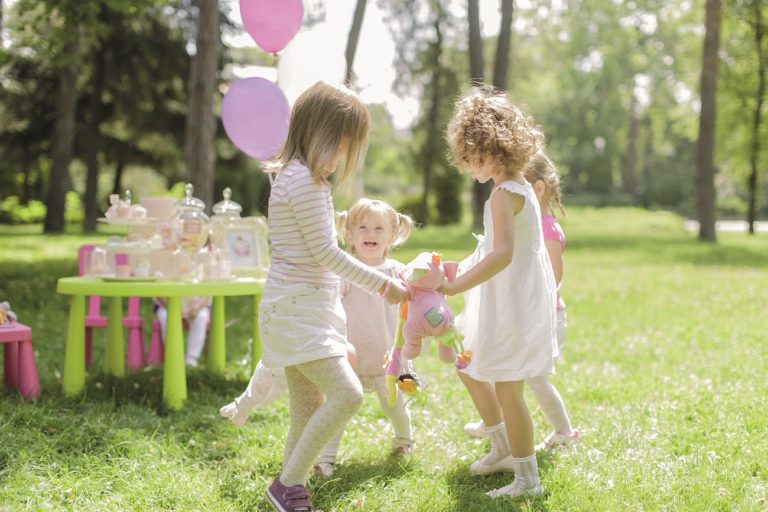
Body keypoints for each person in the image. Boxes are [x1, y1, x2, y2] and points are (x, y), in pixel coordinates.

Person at [254, 81, 409, 512]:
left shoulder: (299, 177)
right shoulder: (304, 181)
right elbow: (326, 253)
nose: (343, 156)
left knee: (307, 404)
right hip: (297, 310)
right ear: (323, 133)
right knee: (349, 394)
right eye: (343, 145)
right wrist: (383, 284)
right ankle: (288, 484)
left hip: (301, 307)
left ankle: (287, 491)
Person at [219, 198, 416, 478]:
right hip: (349, 354)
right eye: (362, 228)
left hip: (386, 356)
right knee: (338, 407)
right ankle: (325, 461)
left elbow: (416, 301)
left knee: (393, 404)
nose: (370, 234)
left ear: (393, 235)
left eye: (378, 229)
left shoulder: (398, 272)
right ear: (349, 234)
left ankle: (404, 439)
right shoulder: (346, 272)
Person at [440, 85, 558, 499]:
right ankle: (504, 448)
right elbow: (494, 249)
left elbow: (503, 254)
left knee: (509, 390)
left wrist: (455, 285)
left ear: (498, 148)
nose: (469, 165)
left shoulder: (503, 195)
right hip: (513, 299)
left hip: (513, 304)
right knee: (470, 364)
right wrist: (461, 267)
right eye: (466, 158)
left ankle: (527, 479)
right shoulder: (518, 186)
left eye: (474, 156)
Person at [462, 151, 581, 450]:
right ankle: (497, 419)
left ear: (537, 188)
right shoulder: (528, 220)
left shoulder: (548, 228)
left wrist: (531, 304)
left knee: (535, 378)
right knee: (510, 369)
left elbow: (552, 276)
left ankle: (565, 433)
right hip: (528, 313)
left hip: (543, 314)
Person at [153, 296, 210, 367]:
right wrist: (173, 308)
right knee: (166, 317)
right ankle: (175, 358)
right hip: (167, 306)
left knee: (201, 317)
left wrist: (197, 307)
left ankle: (191, 359)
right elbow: (159, 294)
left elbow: (207, 295)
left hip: (197, 307)